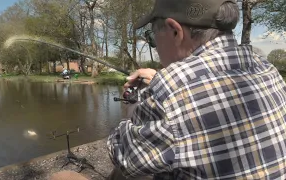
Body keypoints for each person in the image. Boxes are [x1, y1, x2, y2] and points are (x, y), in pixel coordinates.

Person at [107, 0, 286, 179]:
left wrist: (132, 107)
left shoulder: (171, 88)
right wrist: (159, 83)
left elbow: (125, 158)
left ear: (175, 31)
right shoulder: (265, 67)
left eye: (152, 37)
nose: (154, 45)